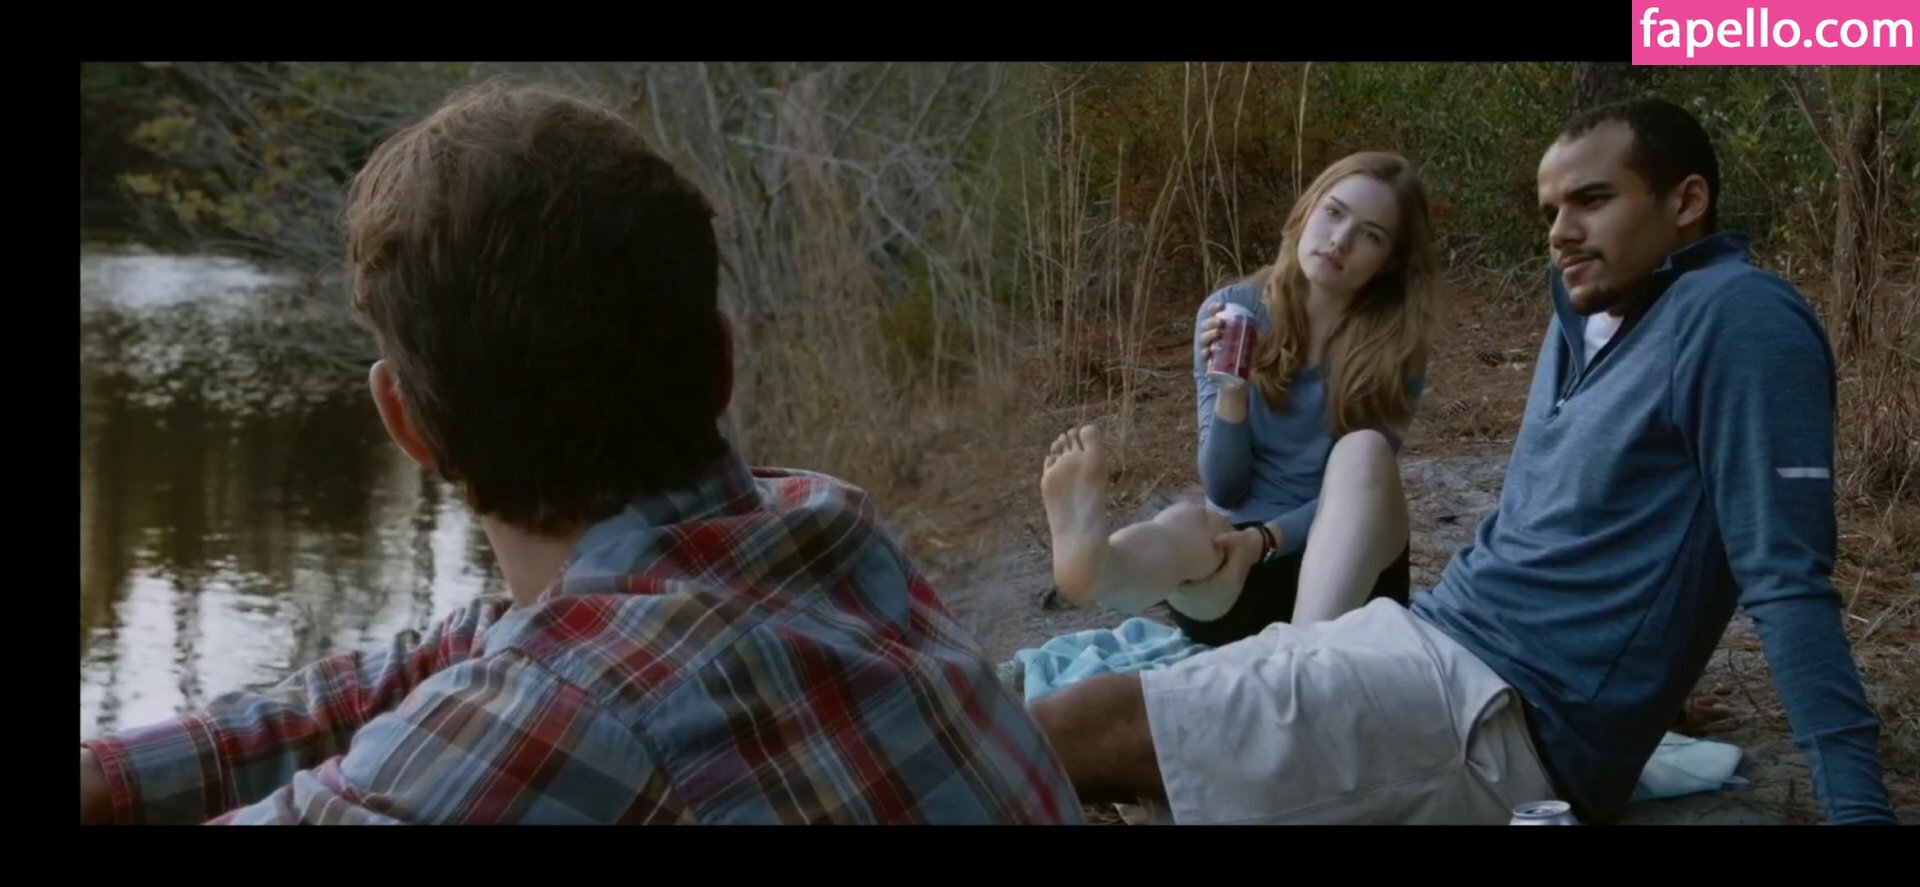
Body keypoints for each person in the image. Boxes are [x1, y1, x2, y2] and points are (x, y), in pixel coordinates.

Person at [78, 79, 1082, 826]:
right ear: (722, 364)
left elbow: (523, 689)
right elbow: (445, 658)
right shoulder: (826, 527)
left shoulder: (567, 712)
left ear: (407, 423)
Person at [1028, 98, 1896, 825]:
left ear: (1687, 200)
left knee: (1083, 729)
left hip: (1504, 716)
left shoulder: (1738, 316)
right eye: (1550, 210)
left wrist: (1860, 809)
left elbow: (1786, 580)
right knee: (1090, 727)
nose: (1561, 233)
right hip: (1426, 637)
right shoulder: (1585, 319)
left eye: (1592, 201)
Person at [1039, 151, 1435, 646]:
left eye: (1370, 235)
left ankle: (1295, 660)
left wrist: (1265, 539)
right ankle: (1100, 567)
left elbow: (1366, 491)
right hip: (1232, 572)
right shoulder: (1233, 311)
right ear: (1307, 210)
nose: (1340, 240)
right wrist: (1232, 387)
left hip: (1348, 579)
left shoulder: (1394, 348)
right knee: (1188, 524)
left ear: (1389, 262)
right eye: (1334, 212)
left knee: (1365, 452)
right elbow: (1226, 488)